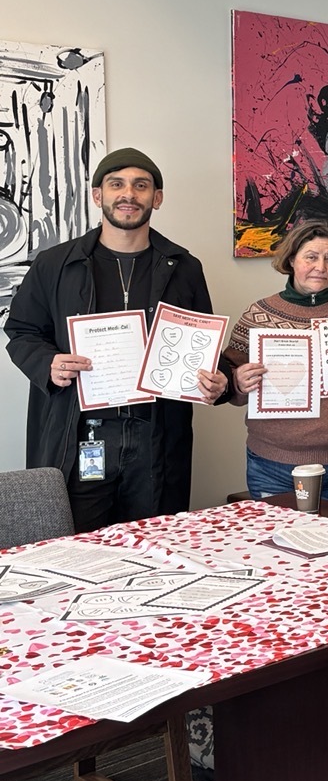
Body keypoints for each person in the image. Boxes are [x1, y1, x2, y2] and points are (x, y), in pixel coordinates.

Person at [4, 146, 230, 531]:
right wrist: (49, 364)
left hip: (155, 436)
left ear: (156, 198)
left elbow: (205, 346)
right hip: (80, 435)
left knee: (157, 545)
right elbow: (22, 330)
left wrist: (219, 380)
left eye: (141, 186)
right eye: (117, 184)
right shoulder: (55, 264)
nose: (129, 194)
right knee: (75, 547)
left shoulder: (184, 267)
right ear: (98, 195)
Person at [224, 219, 328, 507]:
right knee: (275, 548)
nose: (321, 267)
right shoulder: (258, 314)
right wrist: (237, 382)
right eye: (311, 257)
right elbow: (228, 385)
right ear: (291, 260)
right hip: (272, 463)